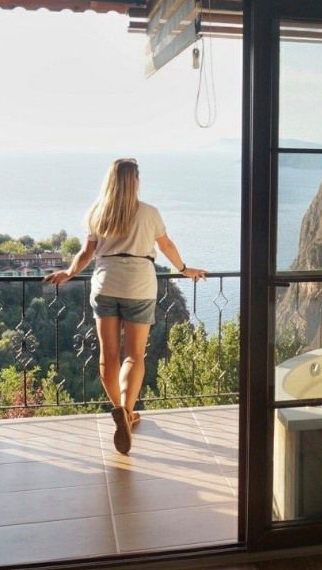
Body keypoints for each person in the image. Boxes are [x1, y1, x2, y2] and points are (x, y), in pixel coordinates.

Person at [44, 158, 206, 455]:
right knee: (134, 355)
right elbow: (167, 246)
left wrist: (68, 272)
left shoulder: (97, 212)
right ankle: (127, 413)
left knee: (108, 355)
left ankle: (120, 411)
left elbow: (86, 252)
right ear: (136, 181)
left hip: (105, 284)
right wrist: (184, 269)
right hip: (139, 286)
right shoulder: (149, 213)